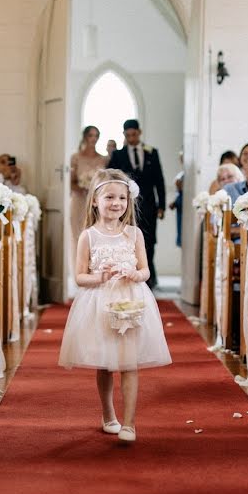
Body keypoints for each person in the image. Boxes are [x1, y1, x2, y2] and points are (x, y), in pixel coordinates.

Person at [58, 168, 171, 443]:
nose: (116, 203)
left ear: (128, 201)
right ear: (95, 200)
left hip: (131, 301)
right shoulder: (88, 236)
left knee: (130, 363)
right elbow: (80, 277)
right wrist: (101, 277)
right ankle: (108, 414)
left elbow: (145, 271)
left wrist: (136, 274)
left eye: (122, 197)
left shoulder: (134, 234)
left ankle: (130, 423)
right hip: (100, 303)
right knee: (106, 363)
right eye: (109, 197)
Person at [107, 119, 165, 289]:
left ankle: (148, 275)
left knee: (149, 240)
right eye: (128, 135)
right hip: (126, 206)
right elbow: (111, 177)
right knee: (128, 238)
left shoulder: (152, 152)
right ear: (124, 135)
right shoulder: (118, 155)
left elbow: (159, 180)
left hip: (149, 206)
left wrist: (161, 205)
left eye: (134, 134)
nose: (131, 137)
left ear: (139, 133)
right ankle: (130, 273)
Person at [70, 125, 108, 245]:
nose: (94, 139)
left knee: (96, 235)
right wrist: (82, 189)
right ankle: (78, 263)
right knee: (78, 235)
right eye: (91, 135)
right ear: (85, 137)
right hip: (79, 201)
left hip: (96, 202)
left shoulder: (103, 159)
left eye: (96, 136)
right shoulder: (76, 157)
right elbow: (71, 182)